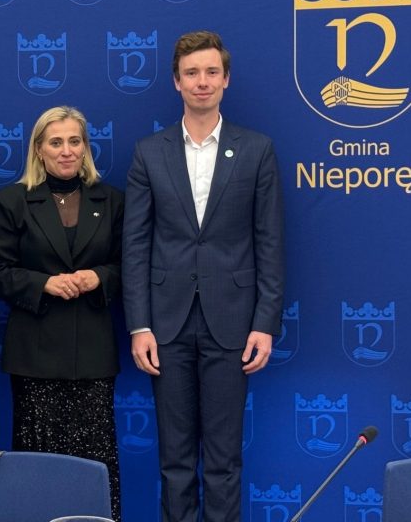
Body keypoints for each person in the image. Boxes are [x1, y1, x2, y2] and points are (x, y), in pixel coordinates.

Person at [123, 30, 284, 522]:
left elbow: (270, 242)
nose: (202, 81)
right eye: (191, 73)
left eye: (212, 72)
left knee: (223, 460)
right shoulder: (149, 152)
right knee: (174, 462)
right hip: (165, 327)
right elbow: (135, 246)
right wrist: (139, 325)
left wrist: (264, 323)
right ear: (176, 81)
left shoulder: (256, 149)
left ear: (226, 79)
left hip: (232, 323)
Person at [0, 105, 124, 520]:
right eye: (56, 142)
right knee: (38, 471)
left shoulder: (112, 200)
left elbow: (130, 267)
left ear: (85, 148)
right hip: (35, 358)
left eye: (74, 141)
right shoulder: (10, 201)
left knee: (95, 467)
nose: (66, 151)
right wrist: (42, 283)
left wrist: (99, 276)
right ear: (39, 150)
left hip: (93, 357)